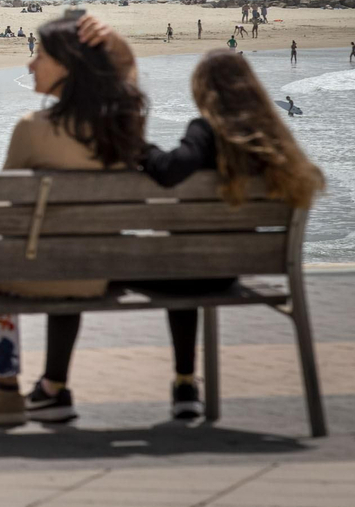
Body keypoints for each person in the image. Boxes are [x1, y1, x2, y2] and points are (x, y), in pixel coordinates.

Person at [55, 38, 325, 420]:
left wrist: (134, 143)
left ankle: (62, 387)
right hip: (231, 271)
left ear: (203, 90)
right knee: (190, 264)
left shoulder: (205, 131)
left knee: (121, 267)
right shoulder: (275, 142)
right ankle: (185, 384)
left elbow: (168, 171)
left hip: (189, 271)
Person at [0, 13, 148, 427]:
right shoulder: (122, 126)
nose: (30, 63)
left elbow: (4, 215)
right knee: (69, 248)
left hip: (31, 275)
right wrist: (113, 41)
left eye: (40, 55)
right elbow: (130, 82)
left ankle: (5, 390)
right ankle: (55, 385)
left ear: (68, 67)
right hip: (94, 272)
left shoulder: (33, 129)